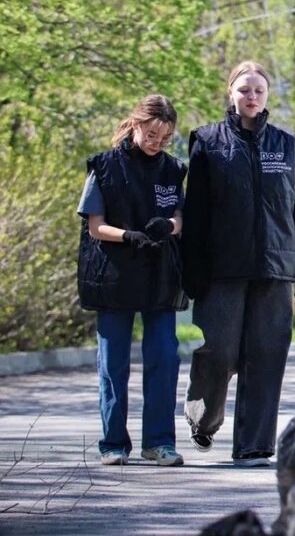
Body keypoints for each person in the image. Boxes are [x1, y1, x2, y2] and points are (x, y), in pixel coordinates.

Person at [181, 60, 295, 467]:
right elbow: (197, 212)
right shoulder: (207, 141)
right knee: (218, 353)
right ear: (231, 93)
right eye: (244, 90)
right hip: (222, 269)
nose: (252, 97)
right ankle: (203, 419)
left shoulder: (286, 144)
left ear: (268, 95)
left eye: (259, 89)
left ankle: (255, 444)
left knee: (266, 357)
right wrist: (192, 269)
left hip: (277, 267)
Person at [77, 94, 188, 467]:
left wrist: (169, 226)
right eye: (153, 133)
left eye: (166, 137)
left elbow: (180, 217)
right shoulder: (104, 167)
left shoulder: (174, 169)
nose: (158, 142)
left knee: (164, 358)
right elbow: (95, 226)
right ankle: (113, 443)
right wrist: (127, 236)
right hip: (114, 275)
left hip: (159, 275)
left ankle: (159, 442)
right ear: (137, 124)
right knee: (113, 364)